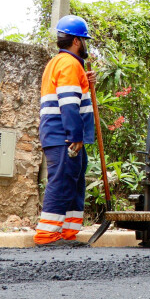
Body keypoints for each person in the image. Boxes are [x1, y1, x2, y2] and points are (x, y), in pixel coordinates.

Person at [34, 15, 97, 247]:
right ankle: (47, 235)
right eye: (85, 40)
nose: (86, 45)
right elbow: (69, 103)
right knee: (62, 182)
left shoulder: (60, 62)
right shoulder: (70, 64)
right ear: (77, 41)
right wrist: (74, 136)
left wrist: (84, 80)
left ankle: (67, 233)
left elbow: (69, 92)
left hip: (60, 134)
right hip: (64, 136)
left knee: (73, 182)